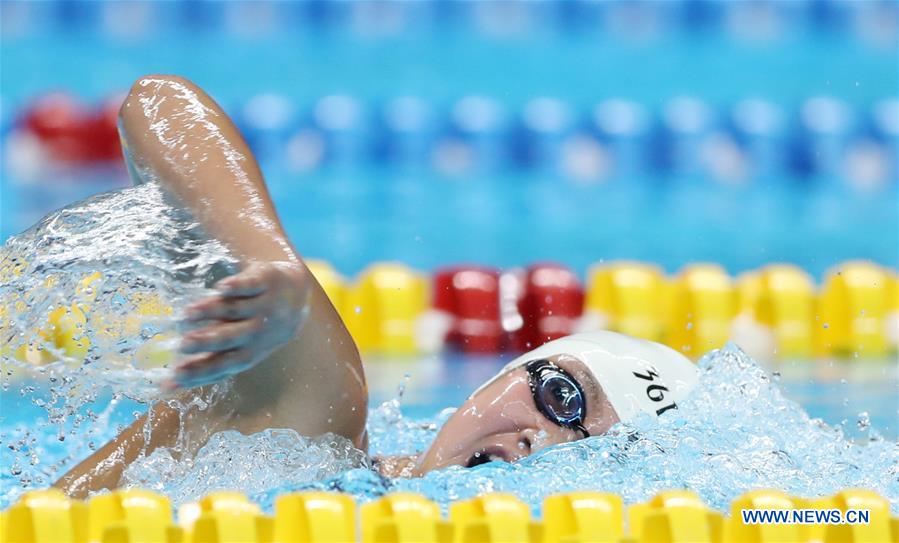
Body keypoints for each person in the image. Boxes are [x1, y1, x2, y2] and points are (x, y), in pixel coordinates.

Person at [54, 75, 697, 496]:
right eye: (561, 396)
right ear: (503, 374)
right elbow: (160, 104)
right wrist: (267, 261)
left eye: (600, 459)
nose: (543, 441)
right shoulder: (313, 429)